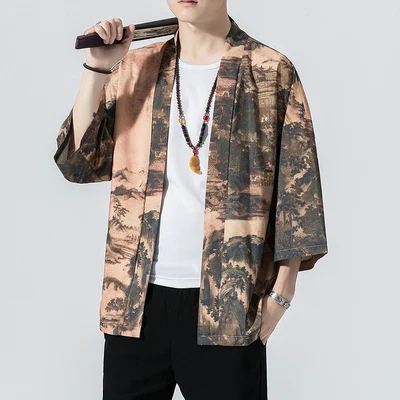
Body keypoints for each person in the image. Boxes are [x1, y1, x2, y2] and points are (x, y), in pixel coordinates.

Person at [53, 0, 328, 398]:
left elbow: (298, 188)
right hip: (135, 303)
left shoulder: (269, 71)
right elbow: (79, 163)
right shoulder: (136, 67)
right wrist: (97, 67)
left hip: (228, 303)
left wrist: (282, 293)